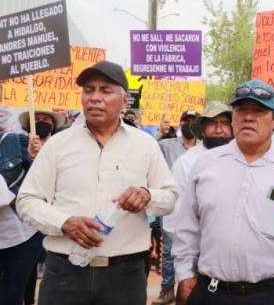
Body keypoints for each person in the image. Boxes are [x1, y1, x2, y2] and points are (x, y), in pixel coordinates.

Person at [17, 60, 178, 305]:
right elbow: (27, 201)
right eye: (88, 90)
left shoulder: (145, 145)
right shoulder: (58, 145)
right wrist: (64, 223)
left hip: (125, 274)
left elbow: (170, 196)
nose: (94, 98)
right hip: (64, 272)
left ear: (125, 101)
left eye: (105, 90)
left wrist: (147, 195)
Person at [173, 79, 274, 305]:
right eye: (241, 110)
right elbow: (188, 226)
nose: (248, 117)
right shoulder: (206, 165)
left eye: (258, 111)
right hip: (212, 293)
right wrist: (185, 273)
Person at [17, 109, 66, 305]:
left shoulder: (61, 148)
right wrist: (29, 157)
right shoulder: (16, 145)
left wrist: (41, 157)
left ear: (53, 125)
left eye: (45, 119)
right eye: (36, 120)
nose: (40, 122)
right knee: (23, 273)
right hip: (23, 223)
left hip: (55, 220)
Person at [153, 110, 199, 304]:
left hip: (196, 208)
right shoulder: (166, 145)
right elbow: (150, 153)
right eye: (185, 121)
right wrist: (161, 133)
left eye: (193, 121)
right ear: (179, 124)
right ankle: (167, 289)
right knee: (169, 250)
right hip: (173, 205)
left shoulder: (206, 149)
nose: (189, 124)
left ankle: (191, 289)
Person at [0, 106, 42, 305]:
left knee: (11, 295)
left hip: (21, 237)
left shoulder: (15, 142)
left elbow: (41, 178)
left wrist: (35, 156)